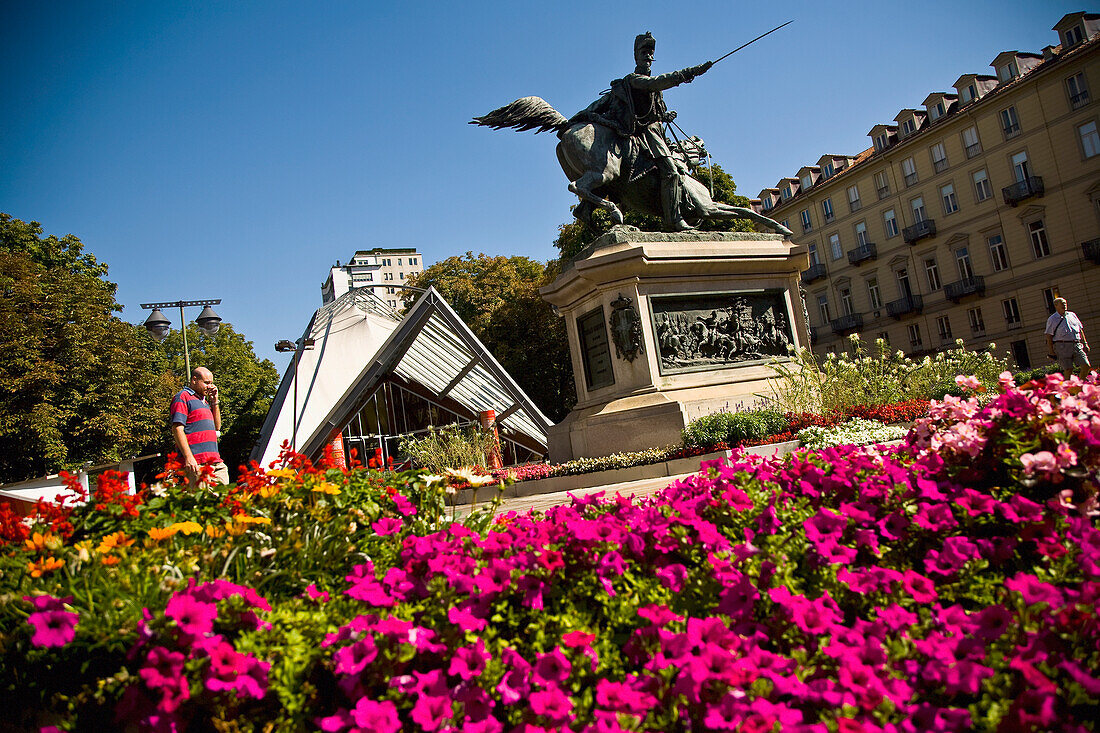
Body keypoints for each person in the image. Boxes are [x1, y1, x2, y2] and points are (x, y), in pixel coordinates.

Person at [572, 32, 711, 230]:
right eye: (644, 52)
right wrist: (690, 72)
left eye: (650, 53)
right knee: (671, 171)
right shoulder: (634, 79)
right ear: (636, 56)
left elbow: (655, 110)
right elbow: (654, 84)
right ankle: (673, 219)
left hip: (657, 133)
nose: (648, 56)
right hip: (645, 134)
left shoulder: (655, 89)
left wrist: (665, 116)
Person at [170, 366, 230, 487]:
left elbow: (217, 427)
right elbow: (177, 428)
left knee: (222, 499)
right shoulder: (183, 397)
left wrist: (214, 402)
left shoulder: (204, 402)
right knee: (201, 502)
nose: (210, 386)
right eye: (207, 383)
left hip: (215, 461)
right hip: (197, 462)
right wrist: (189, 457)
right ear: (194, 380)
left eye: (212, 383)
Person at [1044, 297, 1092, 378]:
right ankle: (1067, 389)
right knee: (1068, 369)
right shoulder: (1052, 319)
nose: (1064, 305)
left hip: (1077, 345)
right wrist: (1051, 351)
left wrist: (1085, 343)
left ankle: (1080, 385)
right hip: (1062, 346)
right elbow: (1049, 336)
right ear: (1056, 305)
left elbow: (1080, 330)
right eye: (1062, 303)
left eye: (1065, 303)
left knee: (1086, 365)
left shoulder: (1072, 315)